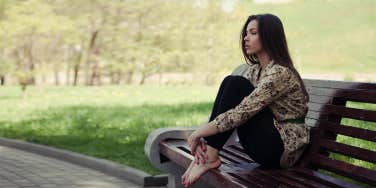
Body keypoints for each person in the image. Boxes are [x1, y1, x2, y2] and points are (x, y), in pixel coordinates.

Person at [181, 13, 311, 187]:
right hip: (263, 143)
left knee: (235, 83)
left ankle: (209, 156)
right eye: (246, 33)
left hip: (282, 150)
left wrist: (198, 133)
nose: (245, 38)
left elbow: (242, 113)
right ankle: (208, 155)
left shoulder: (280, 73)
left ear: (269, 36)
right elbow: (233, 109)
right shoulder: (255, 71)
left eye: (253, 33)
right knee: (231, 81)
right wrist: (203, 138)